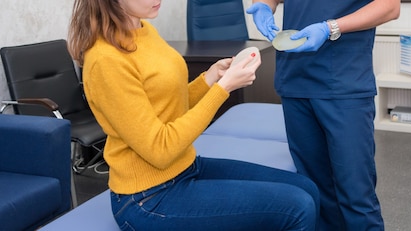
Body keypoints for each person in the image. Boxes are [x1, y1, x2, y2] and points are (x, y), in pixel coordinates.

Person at [67, 0, 319, 230]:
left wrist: (210, 78)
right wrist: (223, 90)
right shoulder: (106, 61)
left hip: (185, 168)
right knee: (298, 206)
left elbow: (169, 105)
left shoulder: (142, 30)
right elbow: (160, 149)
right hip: (148, 198)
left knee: (306, 188)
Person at [247, 0, 400, 230]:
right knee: (315, 192)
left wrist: (331, 28)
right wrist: (263, 6)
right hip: (295, 80)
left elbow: (389, 6)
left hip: (344, 83)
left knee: (356, 196)